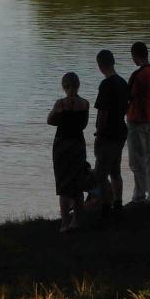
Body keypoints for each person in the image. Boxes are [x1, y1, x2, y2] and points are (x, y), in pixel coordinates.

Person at [48, 72, 90, 232]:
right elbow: (84, 125)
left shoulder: (60, 103)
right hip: (78, 143)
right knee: (77, 182)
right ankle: (76, 220)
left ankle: (65, 222)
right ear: (78, 85)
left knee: (63, 184)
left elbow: (50, 121)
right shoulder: (85, 104)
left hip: (62, 145)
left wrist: (58, 114)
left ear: (64, 86)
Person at [93, 50, 130, 222]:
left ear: (100, 65)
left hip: (107, 133)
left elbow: (102, 112)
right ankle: (118, 203)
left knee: (101, 173)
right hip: (121, 130)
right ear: (113, 62)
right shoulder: (123, 83)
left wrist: (99, 132)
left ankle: (105, 207)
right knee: (115, 169)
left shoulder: (105, 85)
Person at [127, 42, 150, 203]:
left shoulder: (138, 75)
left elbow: (130, 96)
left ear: (135, 56)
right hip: (149, 115)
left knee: (135, 158)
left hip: (136, 117)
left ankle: (140, 194)